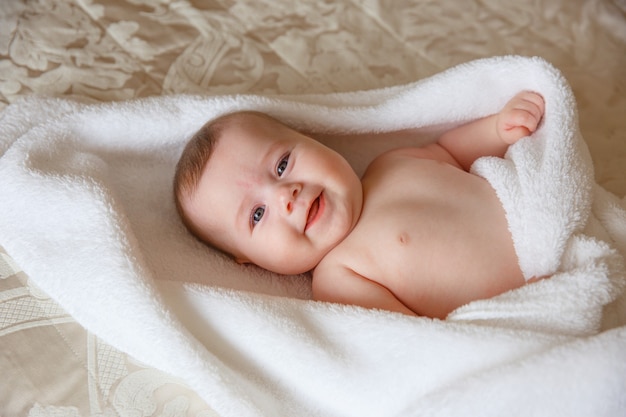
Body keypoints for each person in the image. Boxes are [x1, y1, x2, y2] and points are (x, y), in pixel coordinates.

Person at [174, 91, 545, 319]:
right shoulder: (339, 278)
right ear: (251, 261)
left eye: (282, 164)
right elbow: (419, 341)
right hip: (530, 305)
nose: (285, 195)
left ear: (311, 138)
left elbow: (451, 151)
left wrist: (497, 129)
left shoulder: (391, 163)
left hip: (547, 226)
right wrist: (527, 312)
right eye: (257, 214)